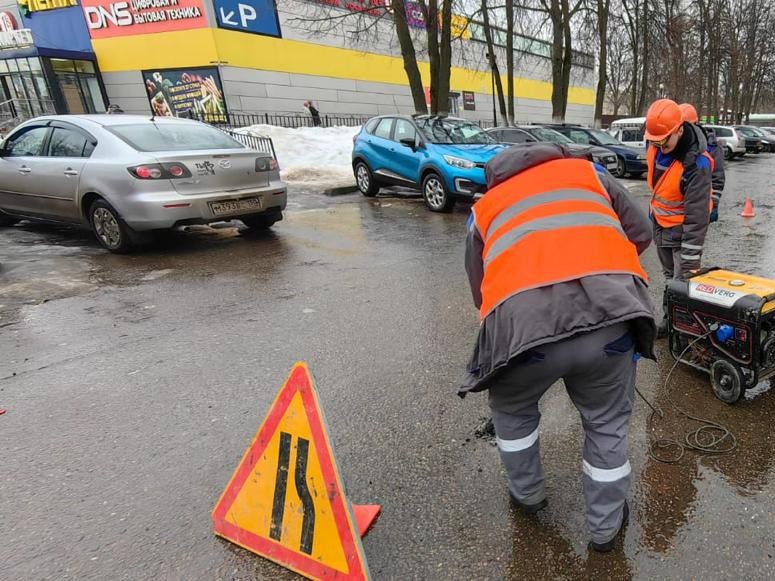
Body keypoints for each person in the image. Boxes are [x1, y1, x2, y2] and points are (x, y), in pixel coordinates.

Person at [461, 142, 656, 553]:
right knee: (606, 423)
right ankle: (604, 529)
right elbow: (641, 233)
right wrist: (601, 263)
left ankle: (527, 496)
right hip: (609, 322)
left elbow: (482, 290)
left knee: (512, 410)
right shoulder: (592, 176)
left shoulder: (486, 208)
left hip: (524, 334)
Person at [644, 99, 713, 338]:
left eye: (664, 141)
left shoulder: (697, 164)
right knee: (668, 279)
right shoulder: (655, 145)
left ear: (680, 130)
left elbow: (697, 215)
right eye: (654, 141)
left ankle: (684, 329)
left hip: (683, 233)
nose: (658, 146)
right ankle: (671, 320)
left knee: (682, 283)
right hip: (662, 228)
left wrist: (691, 257)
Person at [679, 102, 725, 223]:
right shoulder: (679, 145)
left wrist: (713, 203)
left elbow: (717, 177)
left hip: (703, 200)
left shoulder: (711, 146)